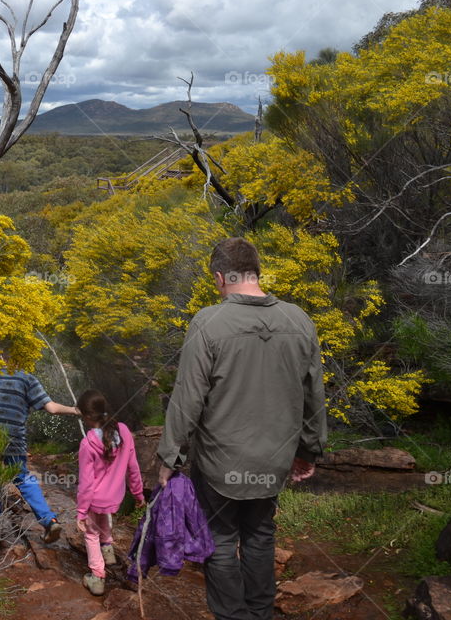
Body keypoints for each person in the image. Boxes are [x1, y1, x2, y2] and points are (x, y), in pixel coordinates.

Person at [156, 237, 327, 620]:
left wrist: (170, 457)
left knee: (219, 540)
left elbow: (187, 399)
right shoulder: (299, 319)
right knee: (261, 535)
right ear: (256, 272)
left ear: (220, 277)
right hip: (273, 460)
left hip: (219, 463)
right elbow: (314, 394)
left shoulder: (208, 321)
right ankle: (260, 613)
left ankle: (232, 616)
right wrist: (308, 449)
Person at [0, 354, 80, 543]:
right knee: (24, 479)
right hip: (15, 440)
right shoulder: (28, 378)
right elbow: (52, 408)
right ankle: (49, 520)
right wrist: (74, 410)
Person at [74, 389, 145, 596]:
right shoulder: (123, 431)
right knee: (102, 518)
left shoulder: (87, 444)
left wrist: (81, 512)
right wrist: (139, 494)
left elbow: (86, 484)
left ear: (87, 416)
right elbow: (133, 467)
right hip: (116, 497)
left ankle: (97, 577)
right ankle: (108, 551)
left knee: (90, 533)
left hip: (96, 498)